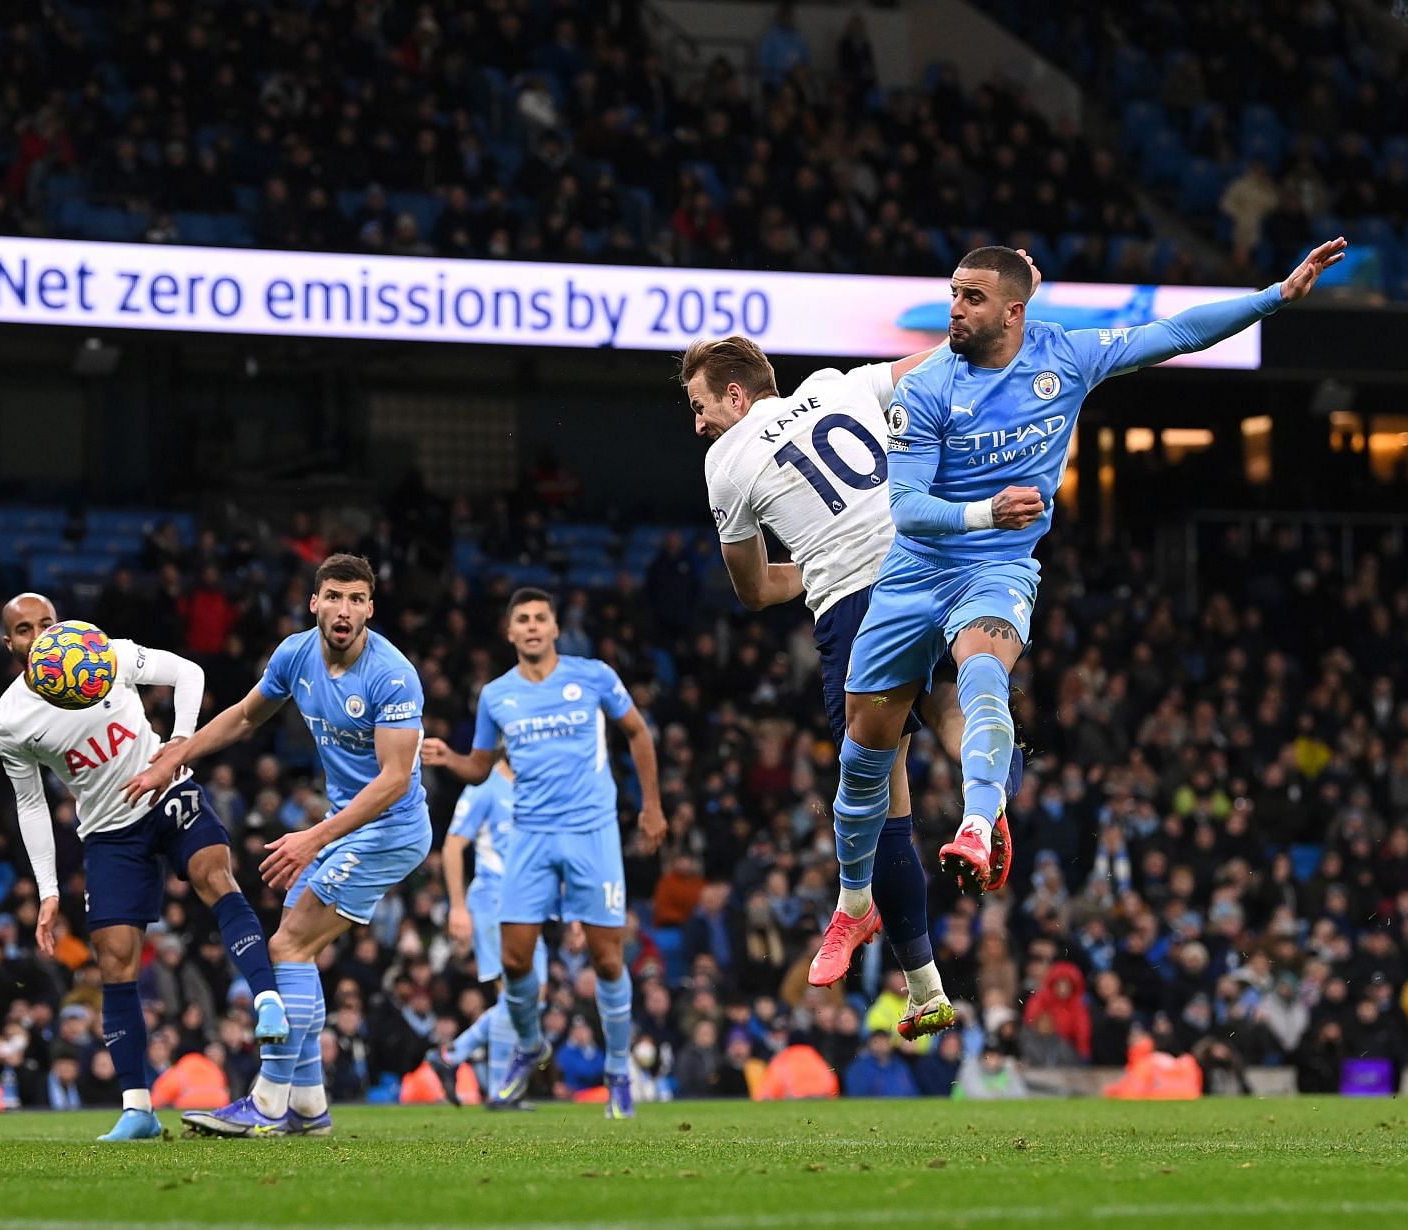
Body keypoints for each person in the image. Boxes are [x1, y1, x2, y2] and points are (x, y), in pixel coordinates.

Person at [841, 238, 1346, 897]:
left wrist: (1275, 297)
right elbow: (907, 509)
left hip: (996, 569)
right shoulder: (929, 386)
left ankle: (977, 818)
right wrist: (987, 511)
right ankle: (854, 901)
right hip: (914, 573)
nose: (955, 310)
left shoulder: (1066, 358)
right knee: (861, 752)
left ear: (1014, 312)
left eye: (972, 298)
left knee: (985, 671)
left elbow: (1175, 333)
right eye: (953, 295)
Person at [682, 320, 1027, 1037]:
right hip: (932, 562)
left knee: (880, 789)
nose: (699, 423)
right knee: (956, 710)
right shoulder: (841, 384)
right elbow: (943, 356)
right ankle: (984, 812)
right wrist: (1007, 311)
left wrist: (816, 562)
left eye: (702, 406)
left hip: (857, 604)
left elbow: (751, 589)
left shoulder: (726, 461)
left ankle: (922, 984)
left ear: (737, 396)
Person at [124, 554, 431, 1138]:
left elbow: (393, 781)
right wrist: (176, 755)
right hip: (346, 826)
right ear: (314, 602)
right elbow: (244, 717)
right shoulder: (295, 654)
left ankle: (267, 1103)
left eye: (357, 600)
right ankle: (309, 1107)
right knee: (296, 946)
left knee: (288, 943)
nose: (344, 610)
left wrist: (312, 836)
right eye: (334, 596)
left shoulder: (393, 675)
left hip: (390, 829)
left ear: (370, 608)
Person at [0, 593, 283, 1143]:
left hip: (167, 791)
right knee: (115, 960)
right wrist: (48, 888)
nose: (40, 636)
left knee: (213, 873)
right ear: (10, 644)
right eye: (25, 630)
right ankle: (138, 1109)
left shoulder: (101, 652)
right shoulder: (8, 720)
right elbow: (30, 804)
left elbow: (188, 673)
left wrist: (178, 745)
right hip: (108, 830)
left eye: (47, 623)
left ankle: (266, 999)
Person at [424, 588, 666, 1119]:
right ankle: (531, 1045)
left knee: (606, 959)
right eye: (522, 620)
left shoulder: (594, 675)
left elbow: (638, 733)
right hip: (529, 837)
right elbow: (482, 768)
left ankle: (619, 1070)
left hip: (592, 833)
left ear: (555, 628)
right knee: (514, 961)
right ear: (510, 634)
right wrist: (451, 758)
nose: (532, 627)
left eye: (541, 618)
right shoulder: (495, 695)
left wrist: (650, 806)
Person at [423, 749, 547, 1109]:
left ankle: (453, 1057)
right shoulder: (484, 787)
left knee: (530, 997)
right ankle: (499, 1090)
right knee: (514, 993)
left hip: (527, 905)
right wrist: (458, 907)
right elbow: (452, 847)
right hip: (493, 899)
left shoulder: (534, 788)